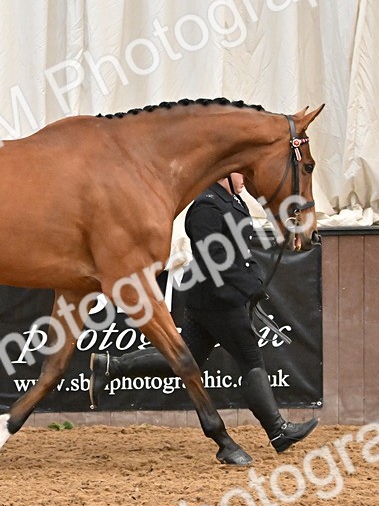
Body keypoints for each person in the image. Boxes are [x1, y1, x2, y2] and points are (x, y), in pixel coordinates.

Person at [89, 173, 318, 454]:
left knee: (187, 358)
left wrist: (256, 277)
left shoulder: (234, 200)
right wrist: (249, 286)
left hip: (218, 298)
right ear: (224, 175)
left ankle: (112, 366)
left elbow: (241, 252)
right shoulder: (206, 206)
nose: (244, 176)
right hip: (217, 300)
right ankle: (277, 430)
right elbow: (214, 260)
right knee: (251, 360)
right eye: (238, 171)